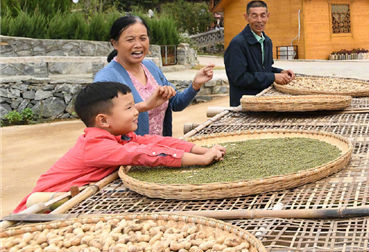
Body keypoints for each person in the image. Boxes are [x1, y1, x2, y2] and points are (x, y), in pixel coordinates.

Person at [14, 82, 225, 212]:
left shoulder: (118, 136)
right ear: (103, 121)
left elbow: (154, 142)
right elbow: (144, 155)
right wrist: (201, 160)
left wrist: (201, 150)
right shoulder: (96, 146)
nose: (136, 111)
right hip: (45, 205)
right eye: (129, 108)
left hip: (70, 198)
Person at [94, 15, 215, 137]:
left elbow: (176, 103)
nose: (138, 45)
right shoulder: (106, 78)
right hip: (132, 153)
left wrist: (195, 85)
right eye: (130, 40)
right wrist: (144, 106)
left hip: (159, 151)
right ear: (114, 43)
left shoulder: (150, 67)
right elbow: (103, 121)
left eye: (143, 38)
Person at [224, 0, 294, 107]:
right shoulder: (237, 44)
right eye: (254, 16)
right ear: (246, 17)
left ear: (268, 16)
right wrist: (273, 77)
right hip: (244, 105)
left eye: (263, 15)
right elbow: (240, 78)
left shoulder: (267, 41)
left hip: (263, 102)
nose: (259, 20)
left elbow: (265, 69)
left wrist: (281, 72)